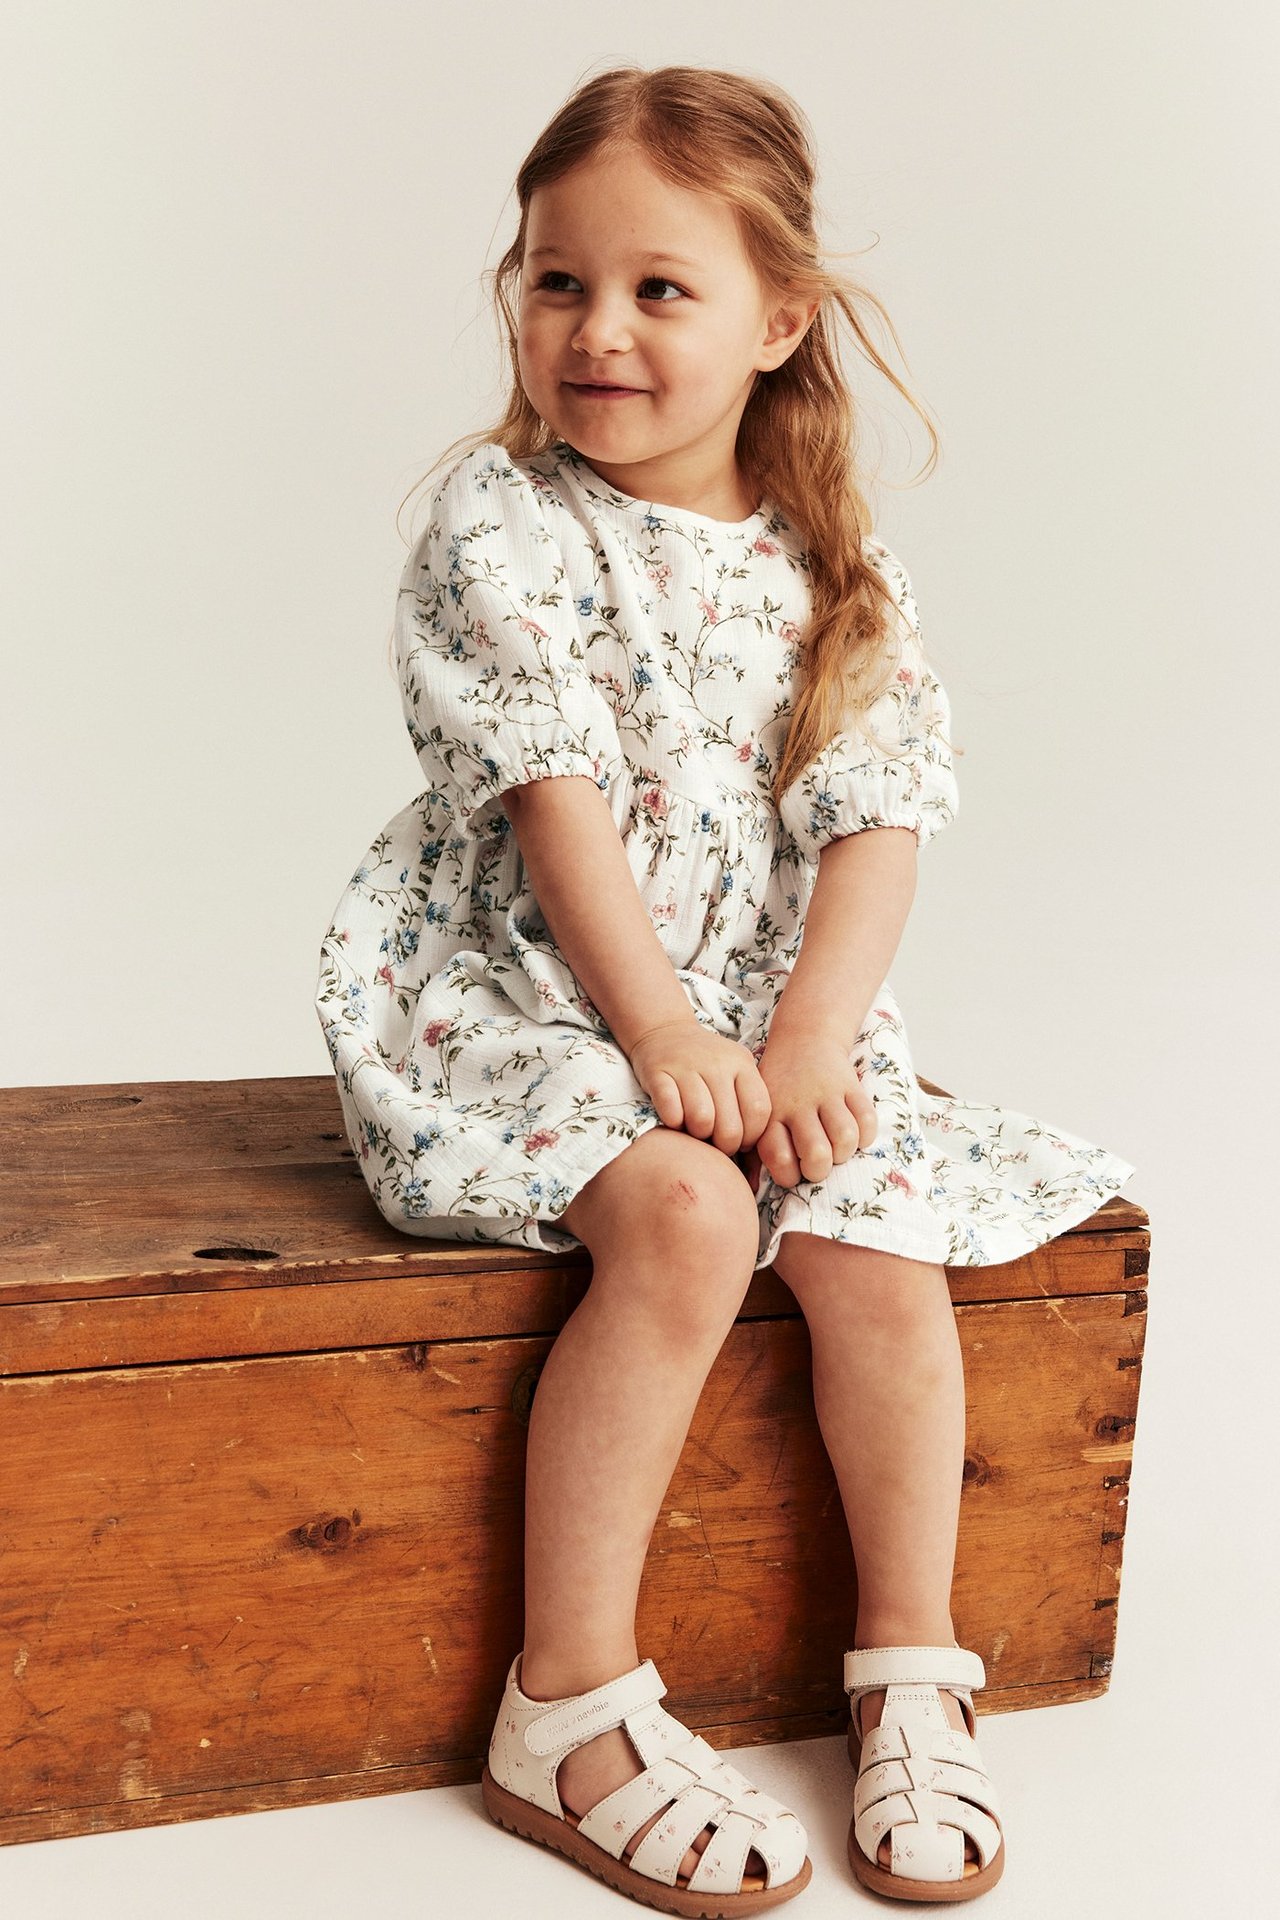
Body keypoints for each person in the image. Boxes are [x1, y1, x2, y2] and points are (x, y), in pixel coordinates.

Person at [315, 63, 1136, 1912]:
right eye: (554, 282)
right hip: (536, 992)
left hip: (768, 1015)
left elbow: (878, 821)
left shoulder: (835, 565)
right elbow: (559, 811)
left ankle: (908, 1667)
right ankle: (569, 1698)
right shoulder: (503, 529)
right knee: (688, 1218)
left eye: (657, 289)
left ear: (779, 319)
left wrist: (807, 1044)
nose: (596, 331)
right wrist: (666, 1034)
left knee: (874, 1231)